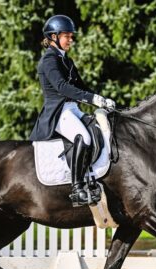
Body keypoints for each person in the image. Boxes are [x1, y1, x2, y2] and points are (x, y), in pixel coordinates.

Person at [29, 15, 116, 207]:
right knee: (83, 137)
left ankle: (91, 178)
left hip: (72, 109)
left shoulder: (66, 60)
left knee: (97, 131)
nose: (71, 39)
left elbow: (81, 86)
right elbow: (61, 87)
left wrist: (101, 100)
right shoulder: (49, 60)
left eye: (71, 36)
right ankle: (77, 188)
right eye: (67, 36)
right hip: (58, 112)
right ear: (53, 36)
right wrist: (92, 99)